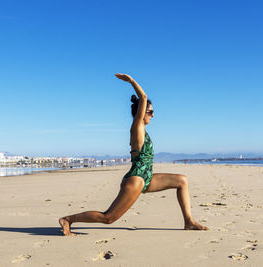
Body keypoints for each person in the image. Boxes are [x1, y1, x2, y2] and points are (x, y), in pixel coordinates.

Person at [59, 73, 209, 236]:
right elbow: (143, 97)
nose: (153, 115)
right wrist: (131, 81)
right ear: (141, 112)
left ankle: (189, 221)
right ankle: (68, 219)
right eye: (150, 112)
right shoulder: (137, 128)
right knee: (109, 218)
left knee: (182, 180)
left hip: (147, 177)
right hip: (136, 179)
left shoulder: (145, 131)